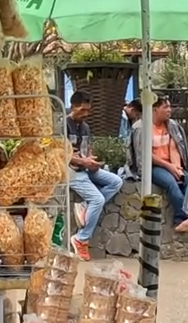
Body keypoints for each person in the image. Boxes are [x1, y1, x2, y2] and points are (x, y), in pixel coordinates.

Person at [66, 90, 123, 260]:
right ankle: (81, 239)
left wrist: (92, 161)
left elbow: (87, 149)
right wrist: (84, 162)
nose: (86, 114)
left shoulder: (85, 127)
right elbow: (59, 154)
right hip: (69, 171)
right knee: (97, 199)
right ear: (73, 106)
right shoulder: (62, 125)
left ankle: (84, 206)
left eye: (88, 110)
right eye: (82, 110)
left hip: (85, 168)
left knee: (116, 181)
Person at [131, 96, 188, 232]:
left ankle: (184, 219)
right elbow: (144, 154)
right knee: (171, 184)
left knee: (184, 179)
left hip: (170, 164)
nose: (170, 110)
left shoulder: (172, 125)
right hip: (152, 166)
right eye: (165, 107)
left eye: (170, 107)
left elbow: (174, 147)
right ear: (155, 109)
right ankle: (181, 218)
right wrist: (168, 167)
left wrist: (176, 168)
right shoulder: (141, 127)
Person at [119, 99, 142, 179]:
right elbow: (123, 138)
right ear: (132, 110)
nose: (137, 118)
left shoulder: (128, 119)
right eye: (137, 115)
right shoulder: (122, 118)